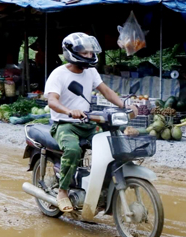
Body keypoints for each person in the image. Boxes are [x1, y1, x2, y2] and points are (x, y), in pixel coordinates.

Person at [45, 32, 136, 213]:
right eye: (84, 52)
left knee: (113, 145)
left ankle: (100, 186)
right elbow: (52, 101)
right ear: (71, 52)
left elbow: (106, 92)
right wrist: (69, 111)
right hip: (65, 124)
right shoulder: (59, 74)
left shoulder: (91, 72)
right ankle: (62, 191)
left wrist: (125, 104)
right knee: (73, 149)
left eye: (89, 52)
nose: (89, 55)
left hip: (87, 123)